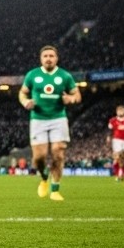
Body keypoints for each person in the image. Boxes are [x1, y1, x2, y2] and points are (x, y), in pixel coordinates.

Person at [18, 45, 80, 202]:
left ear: (56, 58)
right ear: (41, 58)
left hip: (58, 118)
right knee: (39, 157)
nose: (48, 58)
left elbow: (76, 94)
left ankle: (55, 189)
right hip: (38, 119)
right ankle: (44, 177)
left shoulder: (65, 76)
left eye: (51, 56)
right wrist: (25, 102)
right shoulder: (32, 75)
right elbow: (22, 92)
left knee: (58, 152)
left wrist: (71, 99)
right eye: (45, 56)